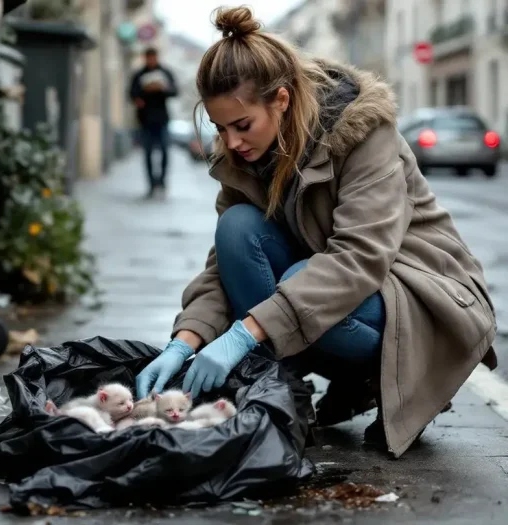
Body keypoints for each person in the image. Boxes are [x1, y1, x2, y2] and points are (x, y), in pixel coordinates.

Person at [135, 7, 498, 458]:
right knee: (237, 229)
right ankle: (280, 387)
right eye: (220, 127)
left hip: (420, 295)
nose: (231, 142)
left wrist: (245, 334)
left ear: (281, 100)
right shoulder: (244, 153)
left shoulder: (363, 132)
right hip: (332, 289)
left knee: (298, 280)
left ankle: (386, 379)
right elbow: (223, 265)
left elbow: (359, 257)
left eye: (242, 125)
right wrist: (184, 340)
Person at [129, 47, 178, 199]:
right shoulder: (139, 74)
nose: (151, 61)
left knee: (164, 151)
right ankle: (151, 185)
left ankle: (162, 182)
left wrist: (161, 89)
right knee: (148, 153)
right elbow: (131, 94)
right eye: (148, 58)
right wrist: (143, 94)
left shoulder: (165, 72)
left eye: (153, 58)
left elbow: (175, 91)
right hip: (145, 120)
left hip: (162, 119)